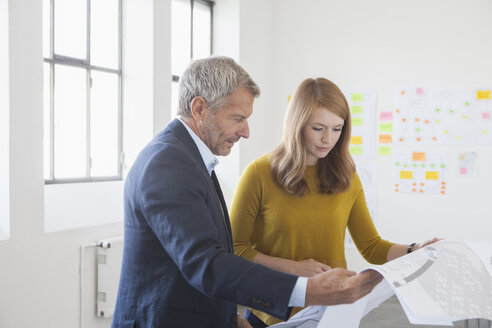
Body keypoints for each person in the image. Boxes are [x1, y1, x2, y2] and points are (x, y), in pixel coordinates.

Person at [111, 58, 383, 328]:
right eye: (238, 118)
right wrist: (307, 289)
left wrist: (231, 319)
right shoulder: (168, 163)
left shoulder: (190, 158)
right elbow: (205, 264)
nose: (246, 131)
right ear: (199, 108)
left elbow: (210, 255)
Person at [230, 77, 440, 327]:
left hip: (333, 312)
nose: (328, 139)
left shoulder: (347, 176)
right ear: (297, 125)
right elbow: (235, 248)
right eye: (318, 128)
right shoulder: (259, 173)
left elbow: (371, 246)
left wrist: (414, 250)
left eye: (337, 129)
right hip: (273, 312)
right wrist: (295, 269)